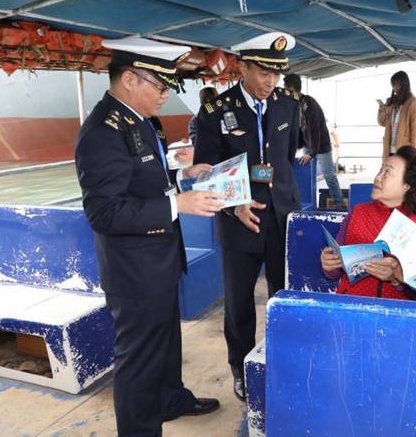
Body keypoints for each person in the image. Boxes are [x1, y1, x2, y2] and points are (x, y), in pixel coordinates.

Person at [74, 37, 225, 436]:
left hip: (159, 260)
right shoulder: (101, 133)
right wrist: (179, 204)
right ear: (129, 79)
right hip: (135, 271)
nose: (164, 95)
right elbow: (103, 212)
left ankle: (171, 399)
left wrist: (181, 175)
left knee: (167, 343)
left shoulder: (140, 121)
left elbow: (142, 178)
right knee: (139, 361)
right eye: (159, 86)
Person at [193, 32, 301, 402]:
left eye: (277, 74)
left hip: (282, 218)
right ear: (243, 67)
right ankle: (240, 367)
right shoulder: (214, 112)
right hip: (238, 222)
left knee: (282, 297)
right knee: (239, 302)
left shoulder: (288, 104)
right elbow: (206, 171)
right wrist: (233, 204)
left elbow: (286, 158)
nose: (271, 82)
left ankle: (283, 361)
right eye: (264, 73)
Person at [320, 146, 416, 300]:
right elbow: (335, 271)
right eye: (380, 170)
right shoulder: (357, 213)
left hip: (399, 310)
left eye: (387, 173)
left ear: (407, 186)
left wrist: (396, 278)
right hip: (351, 304)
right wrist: (329, 265)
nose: (377, 178)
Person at [283, 73, 344, 208]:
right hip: (308, 145)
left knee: (329, 175)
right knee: (308, 176)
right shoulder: (296, 104)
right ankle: (309, 202)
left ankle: (338, 203)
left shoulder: (308, 103)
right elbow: (299, 128)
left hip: (320, 146)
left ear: (291, 89)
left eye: (285, 89)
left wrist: (311, 153)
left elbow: (314, 129)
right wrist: (298, 146)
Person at [377, 71, 416, 161]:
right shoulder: (391, 101)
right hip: (389, 149)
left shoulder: (413, 103)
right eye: (393, 85)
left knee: (402, 170)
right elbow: (382, 123)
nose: (394, 88)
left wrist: (413, 155)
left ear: (405, 85)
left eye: (397, 85)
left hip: (404, 151)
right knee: (389, 169)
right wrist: (382, 111)